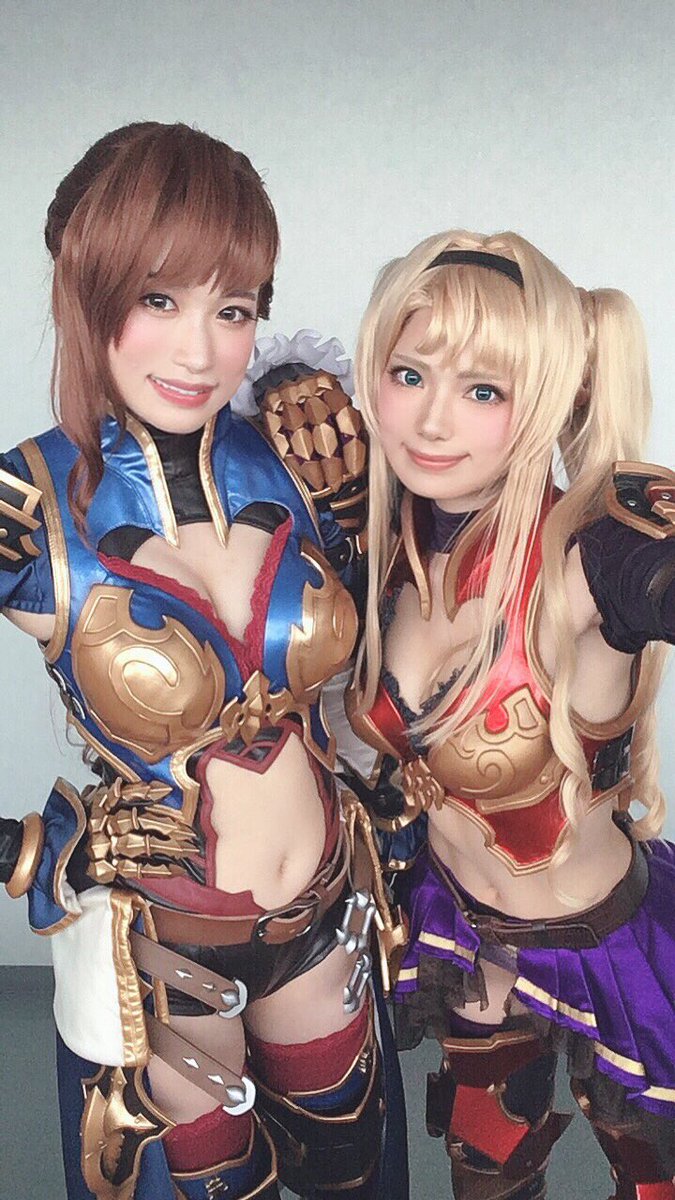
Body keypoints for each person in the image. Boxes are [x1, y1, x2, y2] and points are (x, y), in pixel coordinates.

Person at [0, 122, 403, 1200]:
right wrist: (36, 851)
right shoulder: (27, 507)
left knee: (355, 1171)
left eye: (233, 309)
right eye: (159, 299)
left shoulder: (306, 457)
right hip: (164, 955)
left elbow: (418, 603)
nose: (200, 353)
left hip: (325, 919)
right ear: (84, 292)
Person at [346, 229, 675, 1200]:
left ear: (549, 402)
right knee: (485, 1176)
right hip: (467, 931)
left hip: (614, 950)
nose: (430, 419)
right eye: (409, 373)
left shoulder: (594, 551)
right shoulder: (386, 539)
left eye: (483, 390)